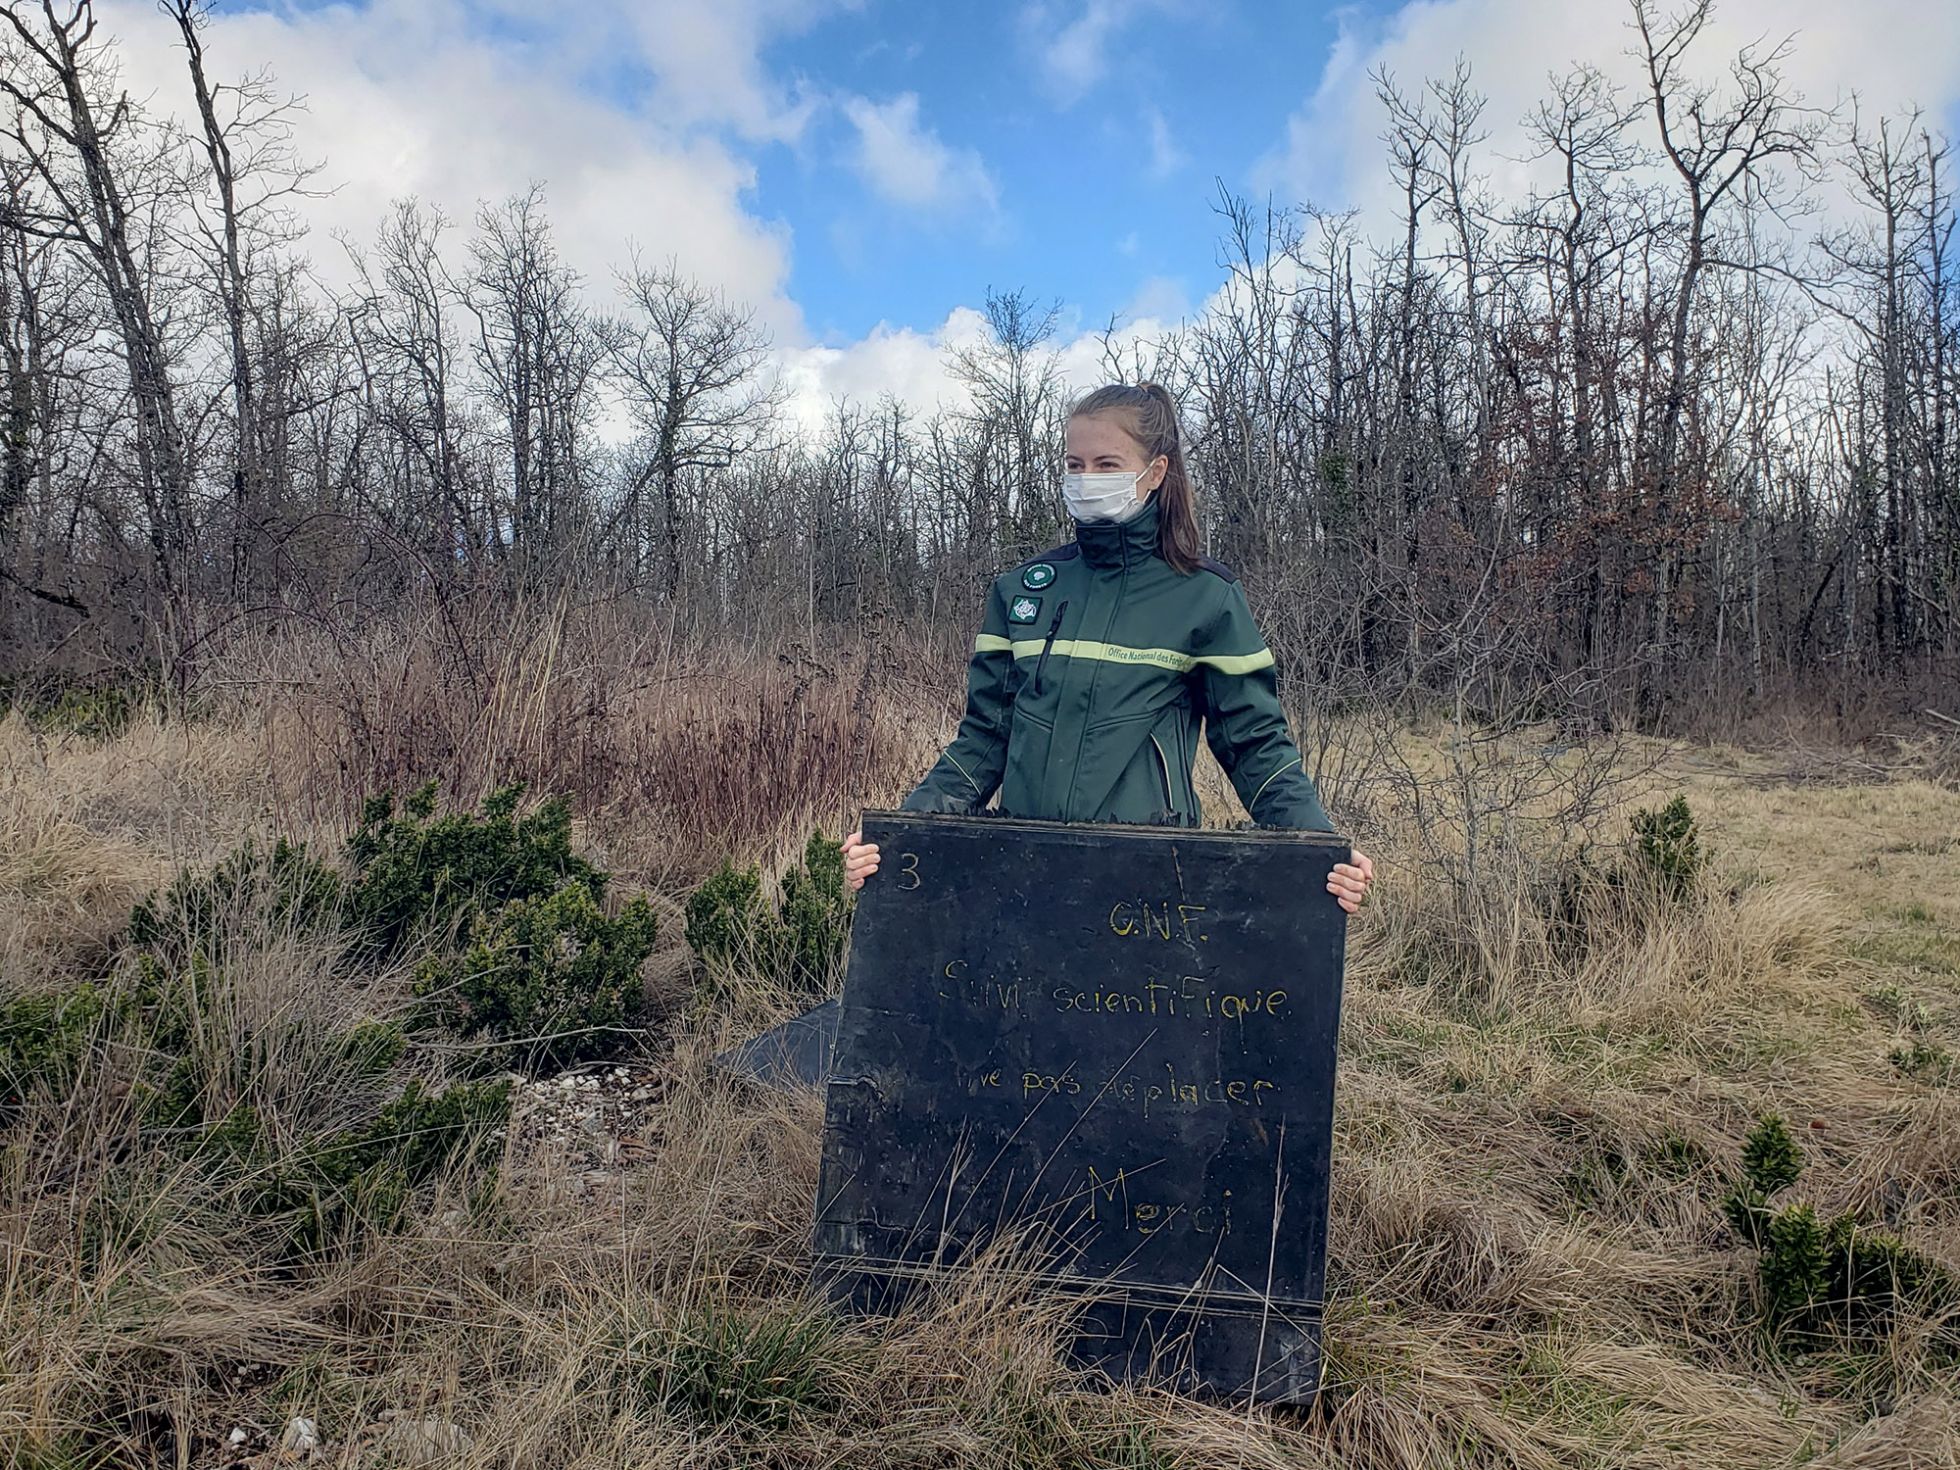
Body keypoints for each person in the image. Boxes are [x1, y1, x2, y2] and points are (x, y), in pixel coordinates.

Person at [842, 381, 1374, 912]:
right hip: (1022, 868)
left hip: (1147, 884)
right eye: (1075, 465)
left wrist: (1319, 847)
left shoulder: (1206, 597)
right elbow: (983, 741)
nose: (1086, 479)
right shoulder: (1023, 590)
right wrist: (898, 837)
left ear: (1156, 473)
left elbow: (1255, 745)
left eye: (1105, 464)